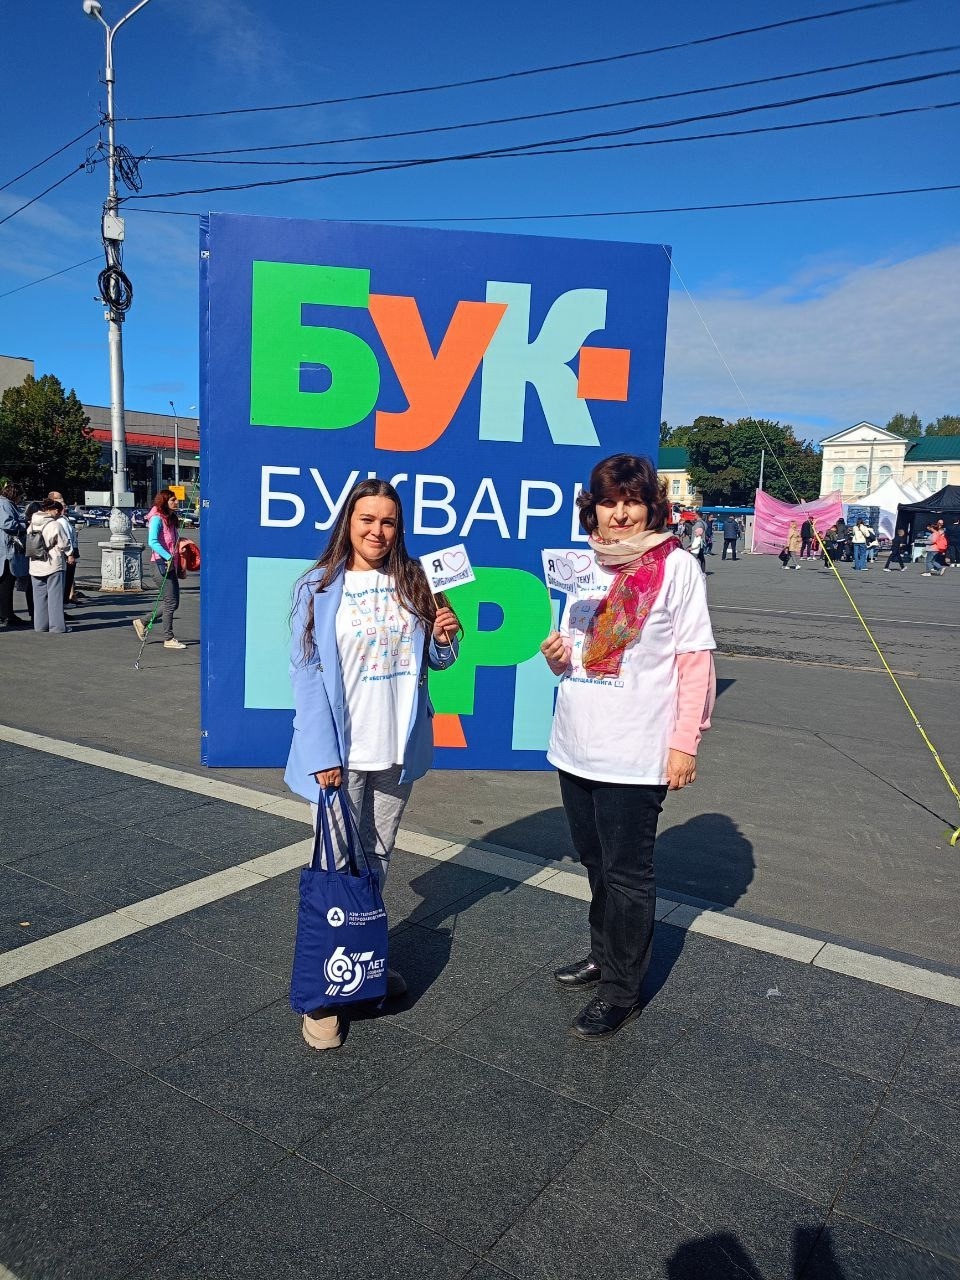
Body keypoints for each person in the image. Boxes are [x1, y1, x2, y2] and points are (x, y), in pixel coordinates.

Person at [540, 454, 716, 1041]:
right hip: (575, 742)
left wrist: (684, 743)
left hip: (635, 749)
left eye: (632, 502)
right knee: (595, 863)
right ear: (592, 508)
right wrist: (558, 657)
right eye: (609, 502)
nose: (620, 514)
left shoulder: (676, 567)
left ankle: (621, 990)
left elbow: (695, 662)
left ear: (651, 508)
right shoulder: (580, 565)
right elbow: (575, 650)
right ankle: (603, 955)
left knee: (627, 874)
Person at [285, 478, 460, 1051]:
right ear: (349, 523)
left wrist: (446, 639)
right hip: (341, 755)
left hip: (395, 751)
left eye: (388, 521)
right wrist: (322, 754)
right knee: (335, 869)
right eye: (367, 519)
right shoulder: (317, 586)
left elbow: (437, 661)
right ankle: (323, 997)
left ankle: (361, 964)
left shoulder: (416, 581)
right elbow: (306, 674)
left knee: (377, 861)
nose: (377, 531)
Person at [132, 489, 186, 650]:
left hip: (171, 565)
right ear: (164, 502)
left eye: (176, 500)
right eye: (173, 500)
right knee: (170, 602)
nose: (176, 502)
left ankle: (142, 622)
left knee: (174, 603)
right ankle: (168, 638)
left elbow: (173, 543)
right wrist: (168, 557)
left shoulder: (171, 519)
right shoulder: (156, 518)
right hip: (159, 565)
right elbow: (153, 542)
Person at [27, 499, 72, 633]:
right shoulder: (54, 525)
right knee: (55, 597)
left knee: (39, 598)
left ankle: (40, 625)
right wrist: (70, 554)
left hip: (35, 563)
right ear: (54, 510)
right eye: (58, 511)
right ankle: (57, 627)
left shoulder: (32, 524)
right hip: (52, 563)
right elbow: (64, 544)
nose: (59, 513)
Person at [0, 482, 28, 629]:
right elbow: (7, 524)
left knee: (5, 583)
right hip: (7, 551)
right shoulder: (4, 504)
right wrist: (24, 525)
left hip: (5, 549)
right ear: (14, 494)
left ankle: (5, 614)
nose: (20, 499)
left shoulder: (6, 504)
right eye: (20, 496)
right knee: (6, 584)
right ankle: (7, 615)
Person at [48, 491, 79, 608]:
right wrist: (70, 554)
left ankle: (67, 598)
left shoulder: (63, 519)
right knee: (66, 579)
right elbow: (65, 539)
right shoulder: (60, 521)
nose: (65, 506)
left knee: (68, 578)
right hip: (65, 553)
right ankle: (64, 602)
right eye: (62, 503)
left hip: (67, 551)